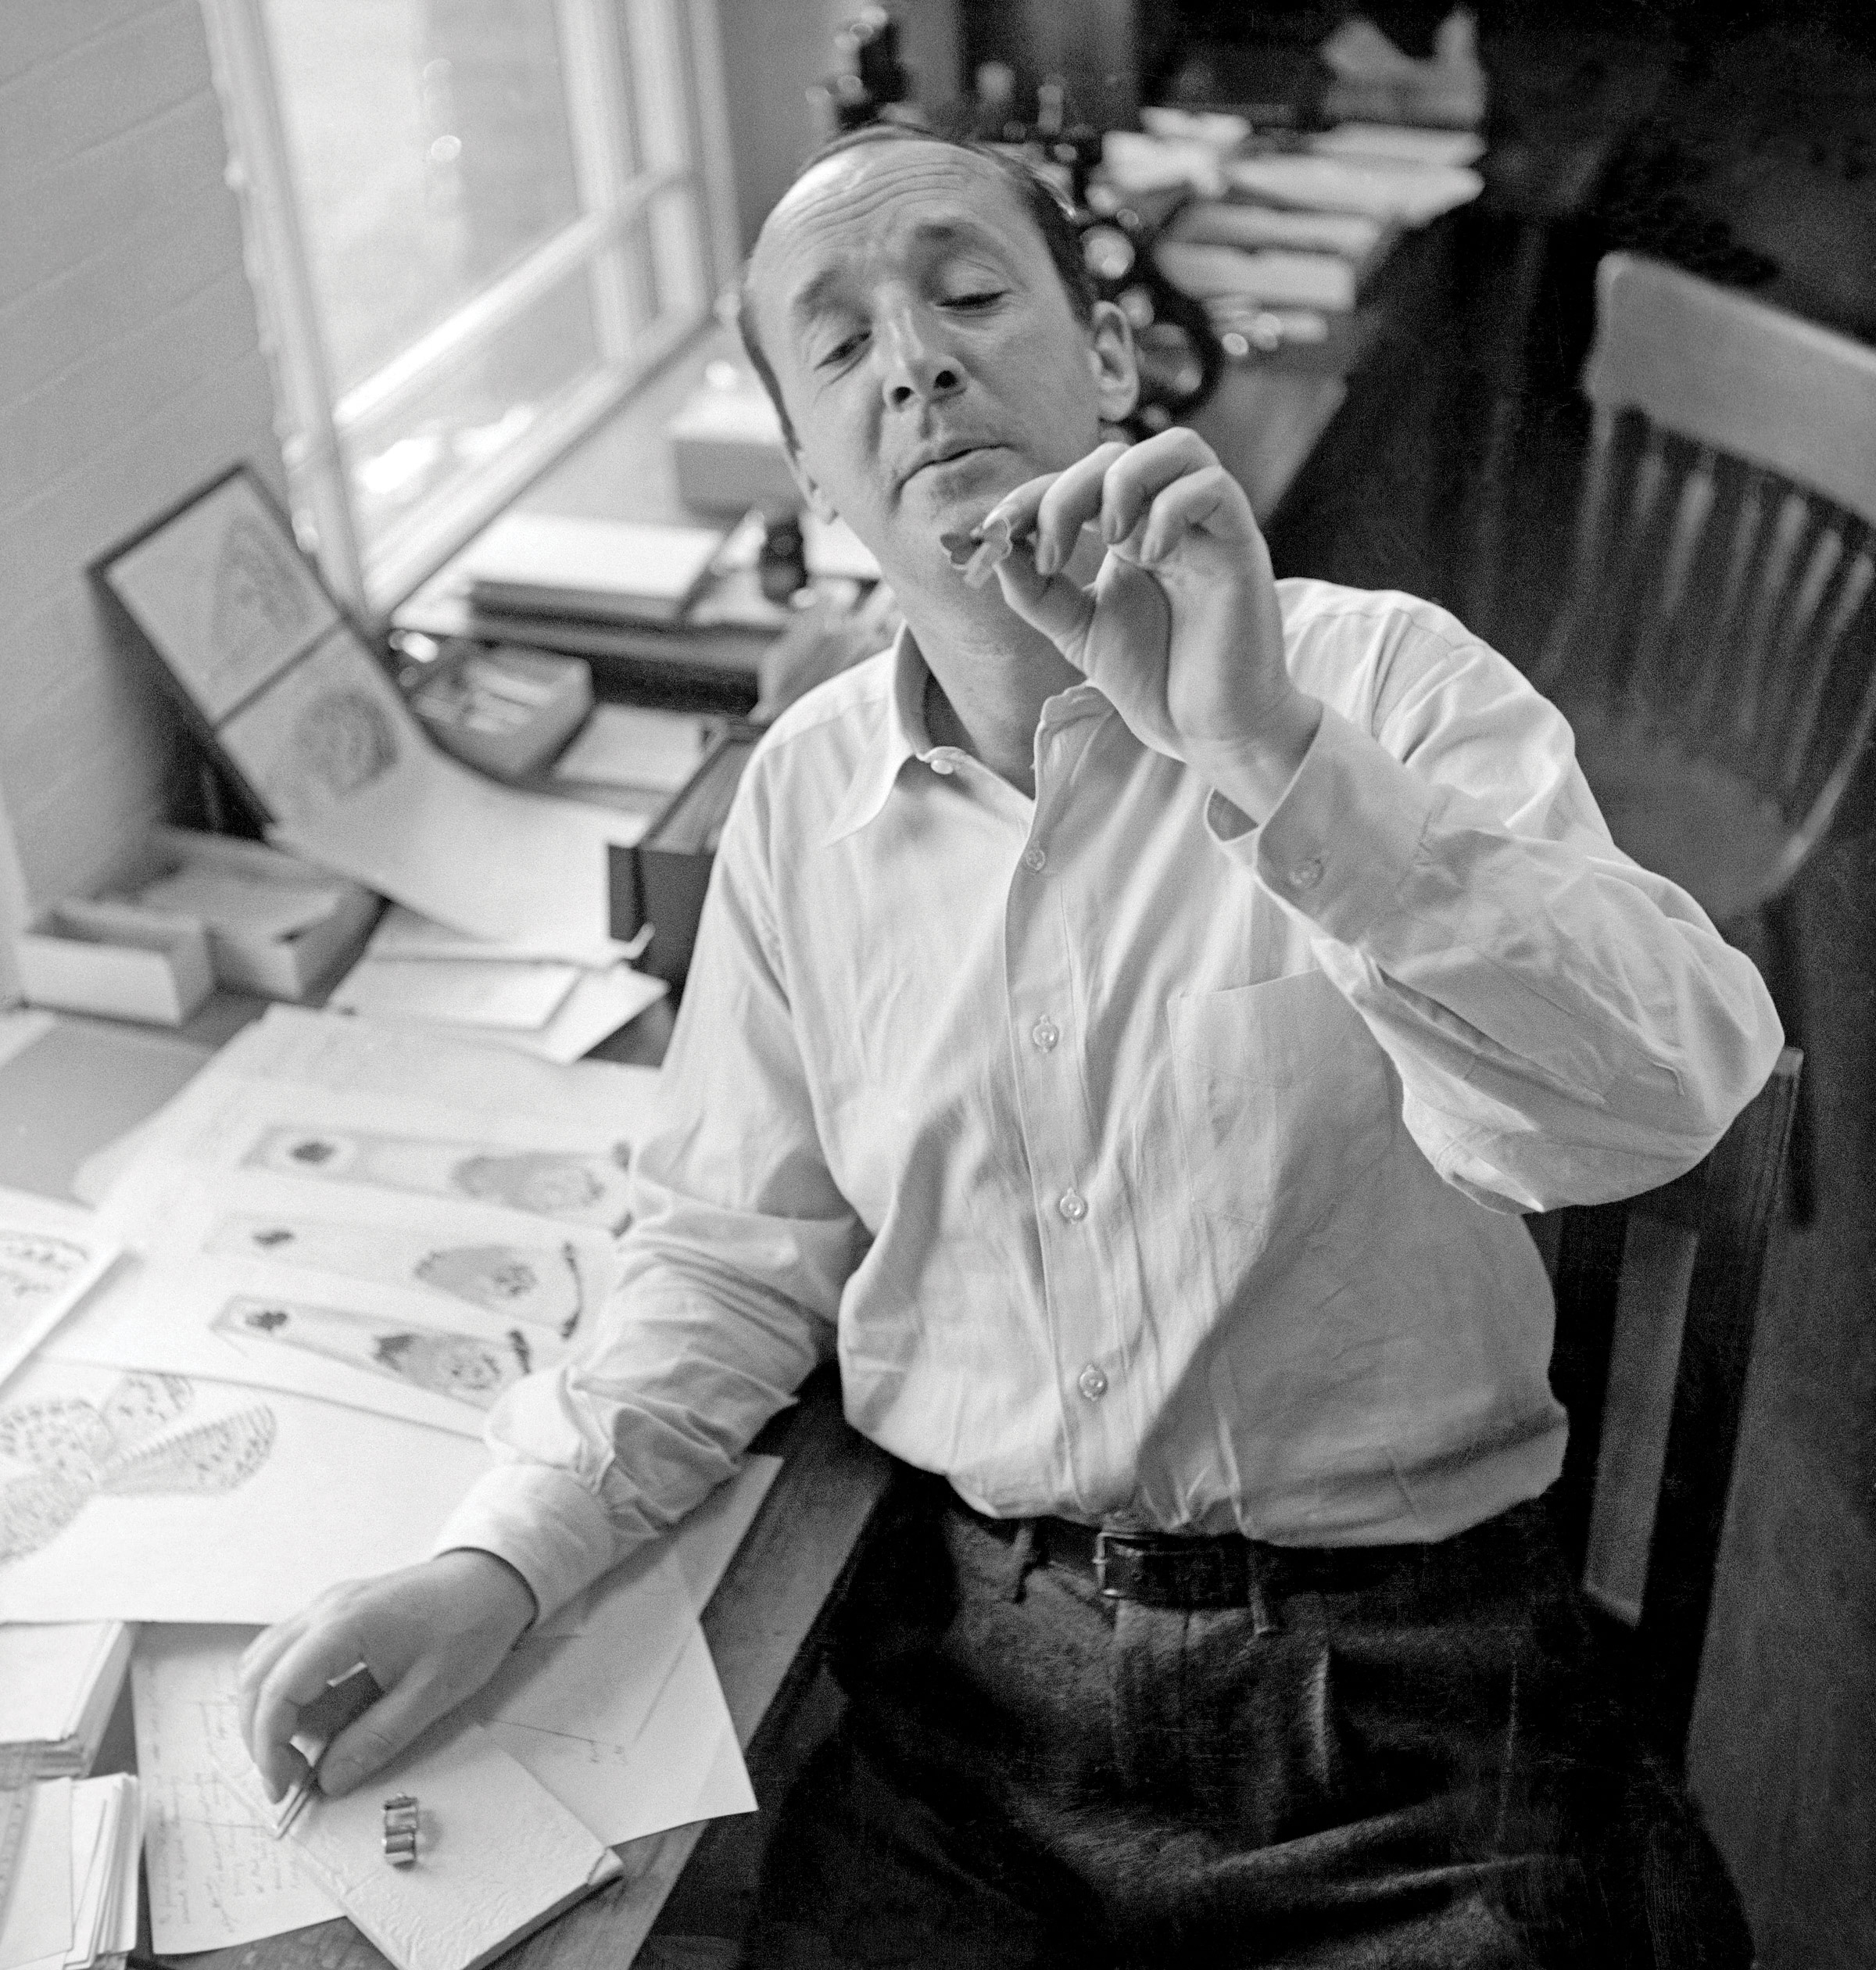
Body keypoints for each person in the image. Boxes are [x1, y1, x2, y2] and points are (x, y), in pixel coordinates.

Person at [241, 127, 1784, 1967]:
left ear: (1112, 361)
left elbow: (1663, 1099)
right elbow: (729, 1257)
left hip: (1401, 1693)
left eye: (970, 294)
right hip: (974, 1707)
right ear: (816, 475)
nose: (915, 358)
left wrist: (1269, 761)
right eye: (839, 347)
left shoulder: (1377, 684)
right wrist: (499, 1558)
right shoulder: (802, 804)